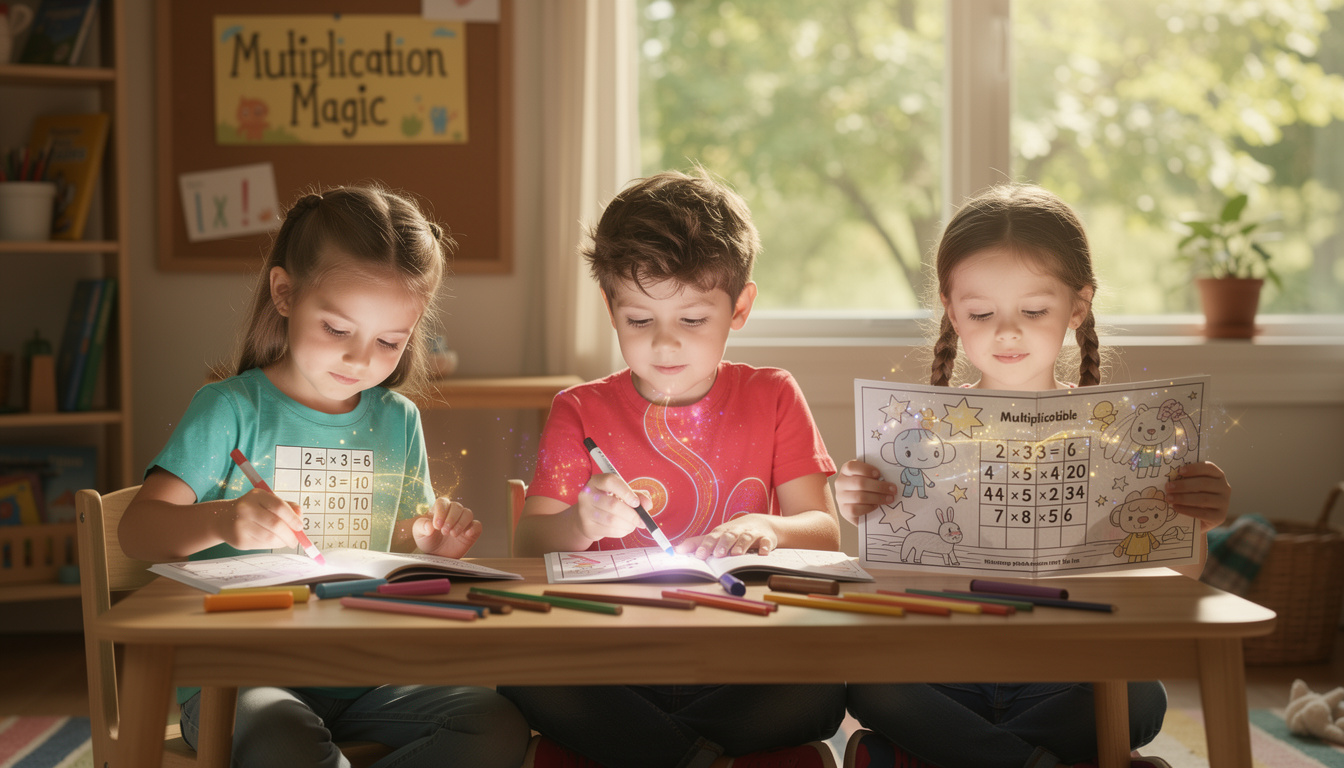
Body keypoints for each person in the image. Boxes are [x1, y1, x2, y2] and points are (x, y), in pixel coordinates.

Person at [118, 185, 530, 768]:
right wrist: (223, 519)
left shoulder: (397, 418)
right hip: (240, 678)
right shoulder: (229, 409)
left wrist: (433, 549)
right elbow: (138, 531)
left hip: (364, 672)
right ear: (285, 294)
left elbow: (395, 551)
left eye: (390, 341)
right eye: (338, 330)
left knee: (492, 724)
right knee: (281, 736)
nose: (362, 360)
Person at [834, 184, 1232, 768]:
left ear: (1078, 307)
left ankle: (948, 755)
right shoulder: (914, 435)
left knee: (1142, 699)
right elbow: (888, 576)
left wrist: (1199, 511)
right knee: (869, 687)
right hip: (946, 673)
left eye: (1034, 310)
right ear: (951, 310)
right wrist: (858, 505)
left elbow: (1180, 573)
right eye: (981, 313)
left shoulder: (1125, 437)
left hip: (1066, 674)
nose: (1007, 331)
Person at [503, 169, 847, 768]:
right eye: (639, 321)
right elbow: (529, 542)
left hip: (740, 657)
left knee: (825, 691)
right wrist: (582, 524)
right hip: (615, 659)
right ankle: (701, 756)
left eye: (692, 321)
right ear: (610, 306)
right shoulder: (579, 409)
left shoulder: (774, 396)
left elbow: (824, 532)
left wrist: (770, 527)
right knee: (524, 681)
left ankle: (656, 749)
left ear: (740, 307)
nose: (664, 346)